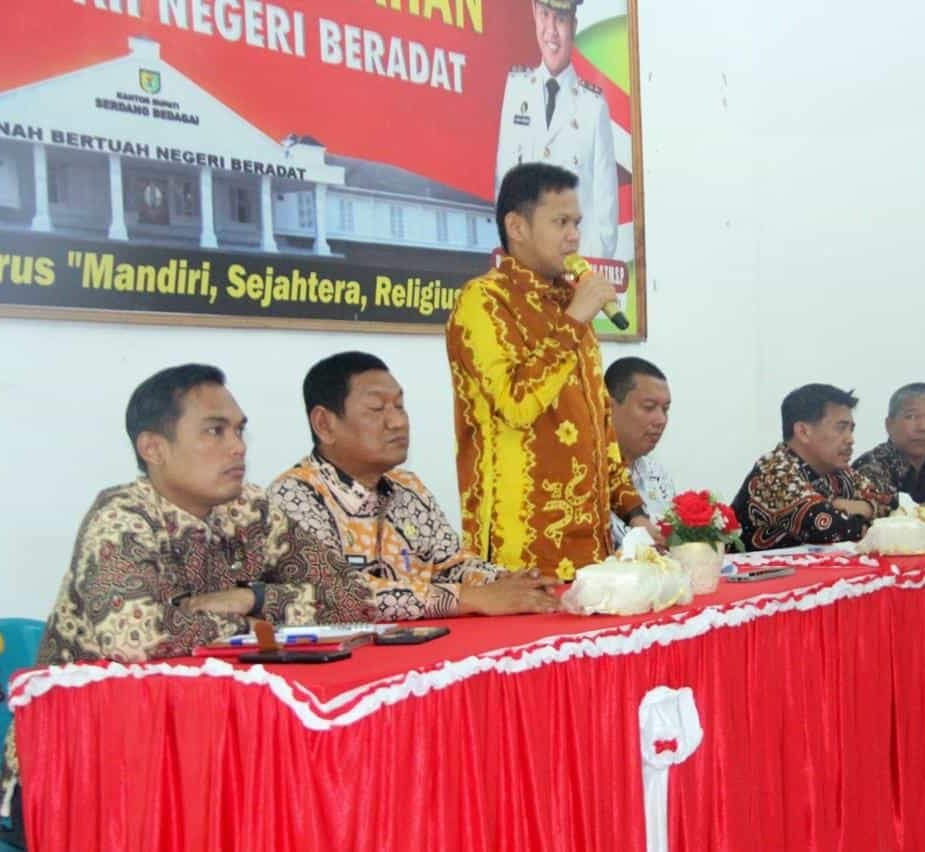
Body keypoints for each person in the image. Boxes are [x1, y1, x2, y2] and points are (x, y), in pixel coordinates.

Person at [0, 364, 375, 848]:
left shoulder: (249, 511)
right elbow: (138, 639)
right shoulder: (121, 518)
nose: (237, 447)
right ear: (153, 448)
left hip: (195, 751)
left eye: (239, 430)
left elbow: (351, 598)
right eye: (215, 431)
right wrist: (263, 614)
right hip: (83, 771)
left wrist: (254, 598)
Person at [446, 162, 655, 580]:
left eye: (577, 222)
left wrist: (633, 513)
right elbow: (515, 404)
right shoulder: (484, 302)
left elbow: (600, 429)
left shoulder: (569, 304)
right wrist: (575, 322)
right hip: (520, 554)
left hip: (592, 552)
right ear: (517, 226)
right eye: (561, 222)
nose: (574, 236)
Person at [269, 352, 560, 619]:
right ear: (324, 424)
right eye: (376, 408)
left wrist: (507, 583)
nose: (397, 421)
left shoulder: (407, 487)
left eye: (400, 406)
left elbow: (451, 565)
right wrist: (471, 598)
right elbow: (335, 593)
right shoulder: (294, 496)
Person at [495, 0, 618, 258]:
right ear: (534, 14)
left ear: (573, 25)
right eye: (545, 15)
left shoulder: (592, 107)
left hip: (574, 275)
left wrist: (585, 280)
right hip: (526, 273)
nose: (551, 30)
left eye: (560, 19)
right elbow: (503, 188)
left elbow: (605, 216)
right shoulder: (516, 91)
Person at [731, 384, 894, 552]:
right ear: (803, 432)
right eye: (841, 428)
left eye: (851, 429)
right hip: (748, 575)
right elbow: (831, 528)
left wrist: (843, 505)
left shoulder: (837, 470)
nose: (850, 439)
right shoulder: (774, 472)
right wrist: (857, 509)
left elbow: (892, 505)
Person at [852, 382, 925, 522]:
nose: (922, 427)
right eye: (911, 417)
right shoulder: (870, 466)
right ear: (889, 425)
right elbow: (882, 511)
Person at [605, 356, 675, 547]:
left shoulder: (655, 473)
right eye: (649, 407)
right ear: (608, 408)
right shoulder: (585, 475)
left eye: (665, 409)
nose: (661, 420)